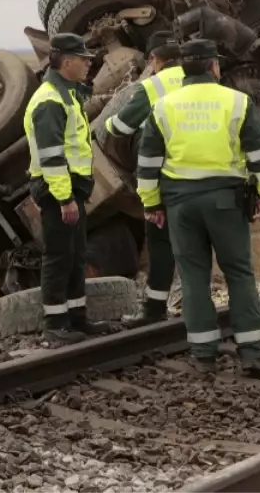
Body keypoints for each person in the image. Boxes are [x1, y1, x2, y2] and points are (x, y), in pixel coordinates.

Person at [135, 39, 260, 377]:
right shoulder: (237, 102)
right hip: (225, 201)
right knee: (239, 274)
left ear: (184, 68)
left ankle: (203, 356)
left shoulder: (164, 106)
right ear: (214, 66)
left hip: (180, 205)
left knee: (194, 278)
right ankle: (253, 355)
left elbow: (147, 163)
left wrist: (151, 203)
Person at [22, 33, 113, 345]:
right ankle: (55, 324)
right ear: (67, 62)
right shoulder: (50, 101)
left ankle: (76, 319)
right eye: (84, 58)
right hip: (58, 190)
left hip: (72, 189)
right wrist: (64, 198)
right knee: (59, 256)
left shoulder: (66, 94)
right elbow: (51, 156)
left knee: (74, 256)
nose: (89, 63)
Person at [103, 31, 184, 328]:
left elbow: (121, 127)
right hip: (203, 180)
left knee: (161, 244)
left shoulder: (153, 86)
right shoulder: (208, 84)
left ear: (154, 59)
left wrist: (108, 121)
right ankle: (195, 303)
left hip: (164, 180)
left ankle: (155, 309)